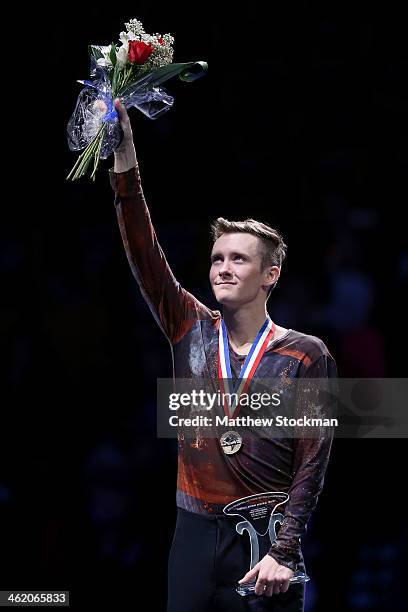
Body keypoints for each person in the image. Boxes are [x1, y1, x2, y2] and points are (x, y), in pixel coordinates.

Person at [111, 99, 337, 612]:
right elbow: (144, 253)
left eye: (239, 259)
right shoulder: (189, 328)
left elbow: (313, 461)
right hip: (191, 535)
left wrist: (287, 550)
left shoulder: (305, 354)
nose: (223, 268)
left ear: (271, 275)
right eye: (217, 258)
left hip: (265, 541)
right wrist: (125, 161)